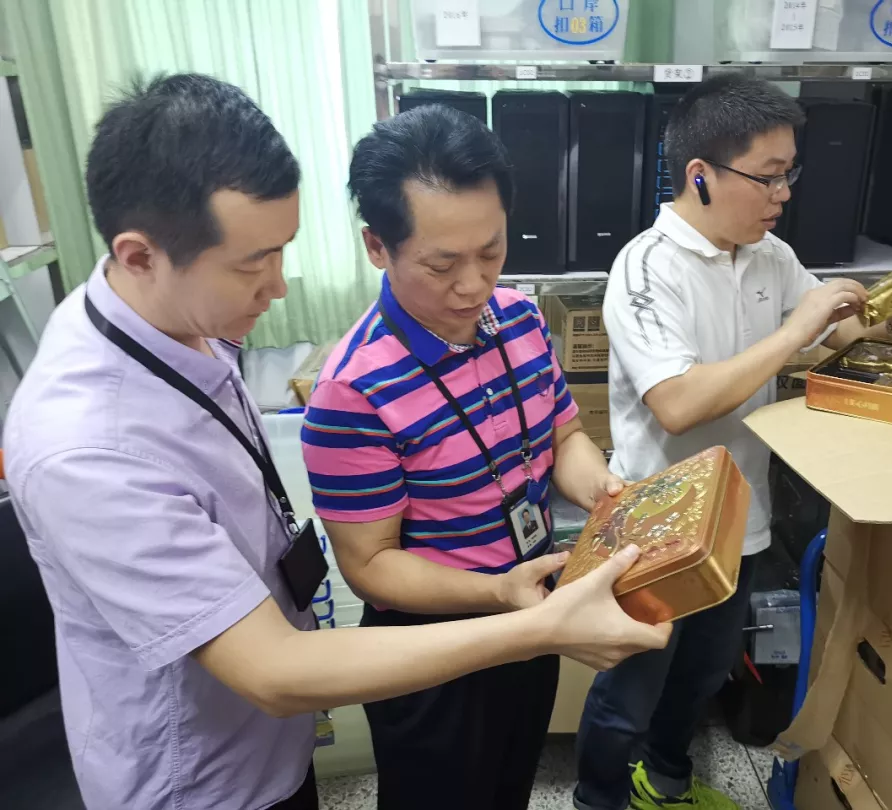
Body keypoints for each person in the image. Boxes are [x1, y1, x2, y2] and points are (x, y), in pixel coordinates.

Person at [1, 74, 671, 810]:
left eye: (281, 251)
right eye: (252, 262)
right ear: (140, 258)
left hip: (281, 733)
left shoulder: (185, 323)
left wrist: (579, 530)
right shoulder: (88, 447)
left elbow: (560, 430)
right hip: (199, 776)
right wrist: (534, 621)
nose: (279, 288)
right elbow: (275, 667)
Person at [573, 74, 892, 810]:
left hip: (741, 519)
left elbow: (838, 330)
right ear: (700, 175)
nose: (783, 194)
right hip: (658, 528)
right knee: (630, 686)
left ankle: (664, 783)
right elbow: (678, 403)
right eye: (768, 176)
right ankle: (599, 799)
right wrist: (796, 329)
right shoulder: (646, 267)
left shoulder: (768, 254)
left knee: (703, 673)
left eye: (789, 174)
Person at [298, 104, 650, 810]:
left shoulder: (519, 318)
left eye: (491, 251)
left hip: (530, 616)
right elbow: (371, 566)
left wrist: (603, 490)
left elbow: (562, 437)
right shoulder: (352, 390)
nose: (473, 285)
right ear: (377, 246)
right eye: (442, 263)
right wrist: (498, 595)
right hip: (430, 651)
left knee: (508, 785)